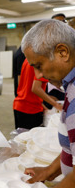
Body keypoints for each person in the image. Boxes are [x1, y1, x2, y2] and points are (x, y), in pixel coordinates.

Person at [21, 19, 75, 187]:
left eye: (39, 65)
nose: (38, 76)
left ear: (62, 52)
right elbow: (70, 148)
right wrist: (49, 171)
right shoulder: (70, 85)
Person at [13, 58, 62, 129]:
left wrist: (44, 107)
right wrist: (56, 104)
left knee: (21, 137)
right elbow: (36, 88)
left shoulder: (28, 59)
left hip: (19, 106)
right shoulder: (42, 63)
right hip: (31, 110)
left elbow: (27, 89)